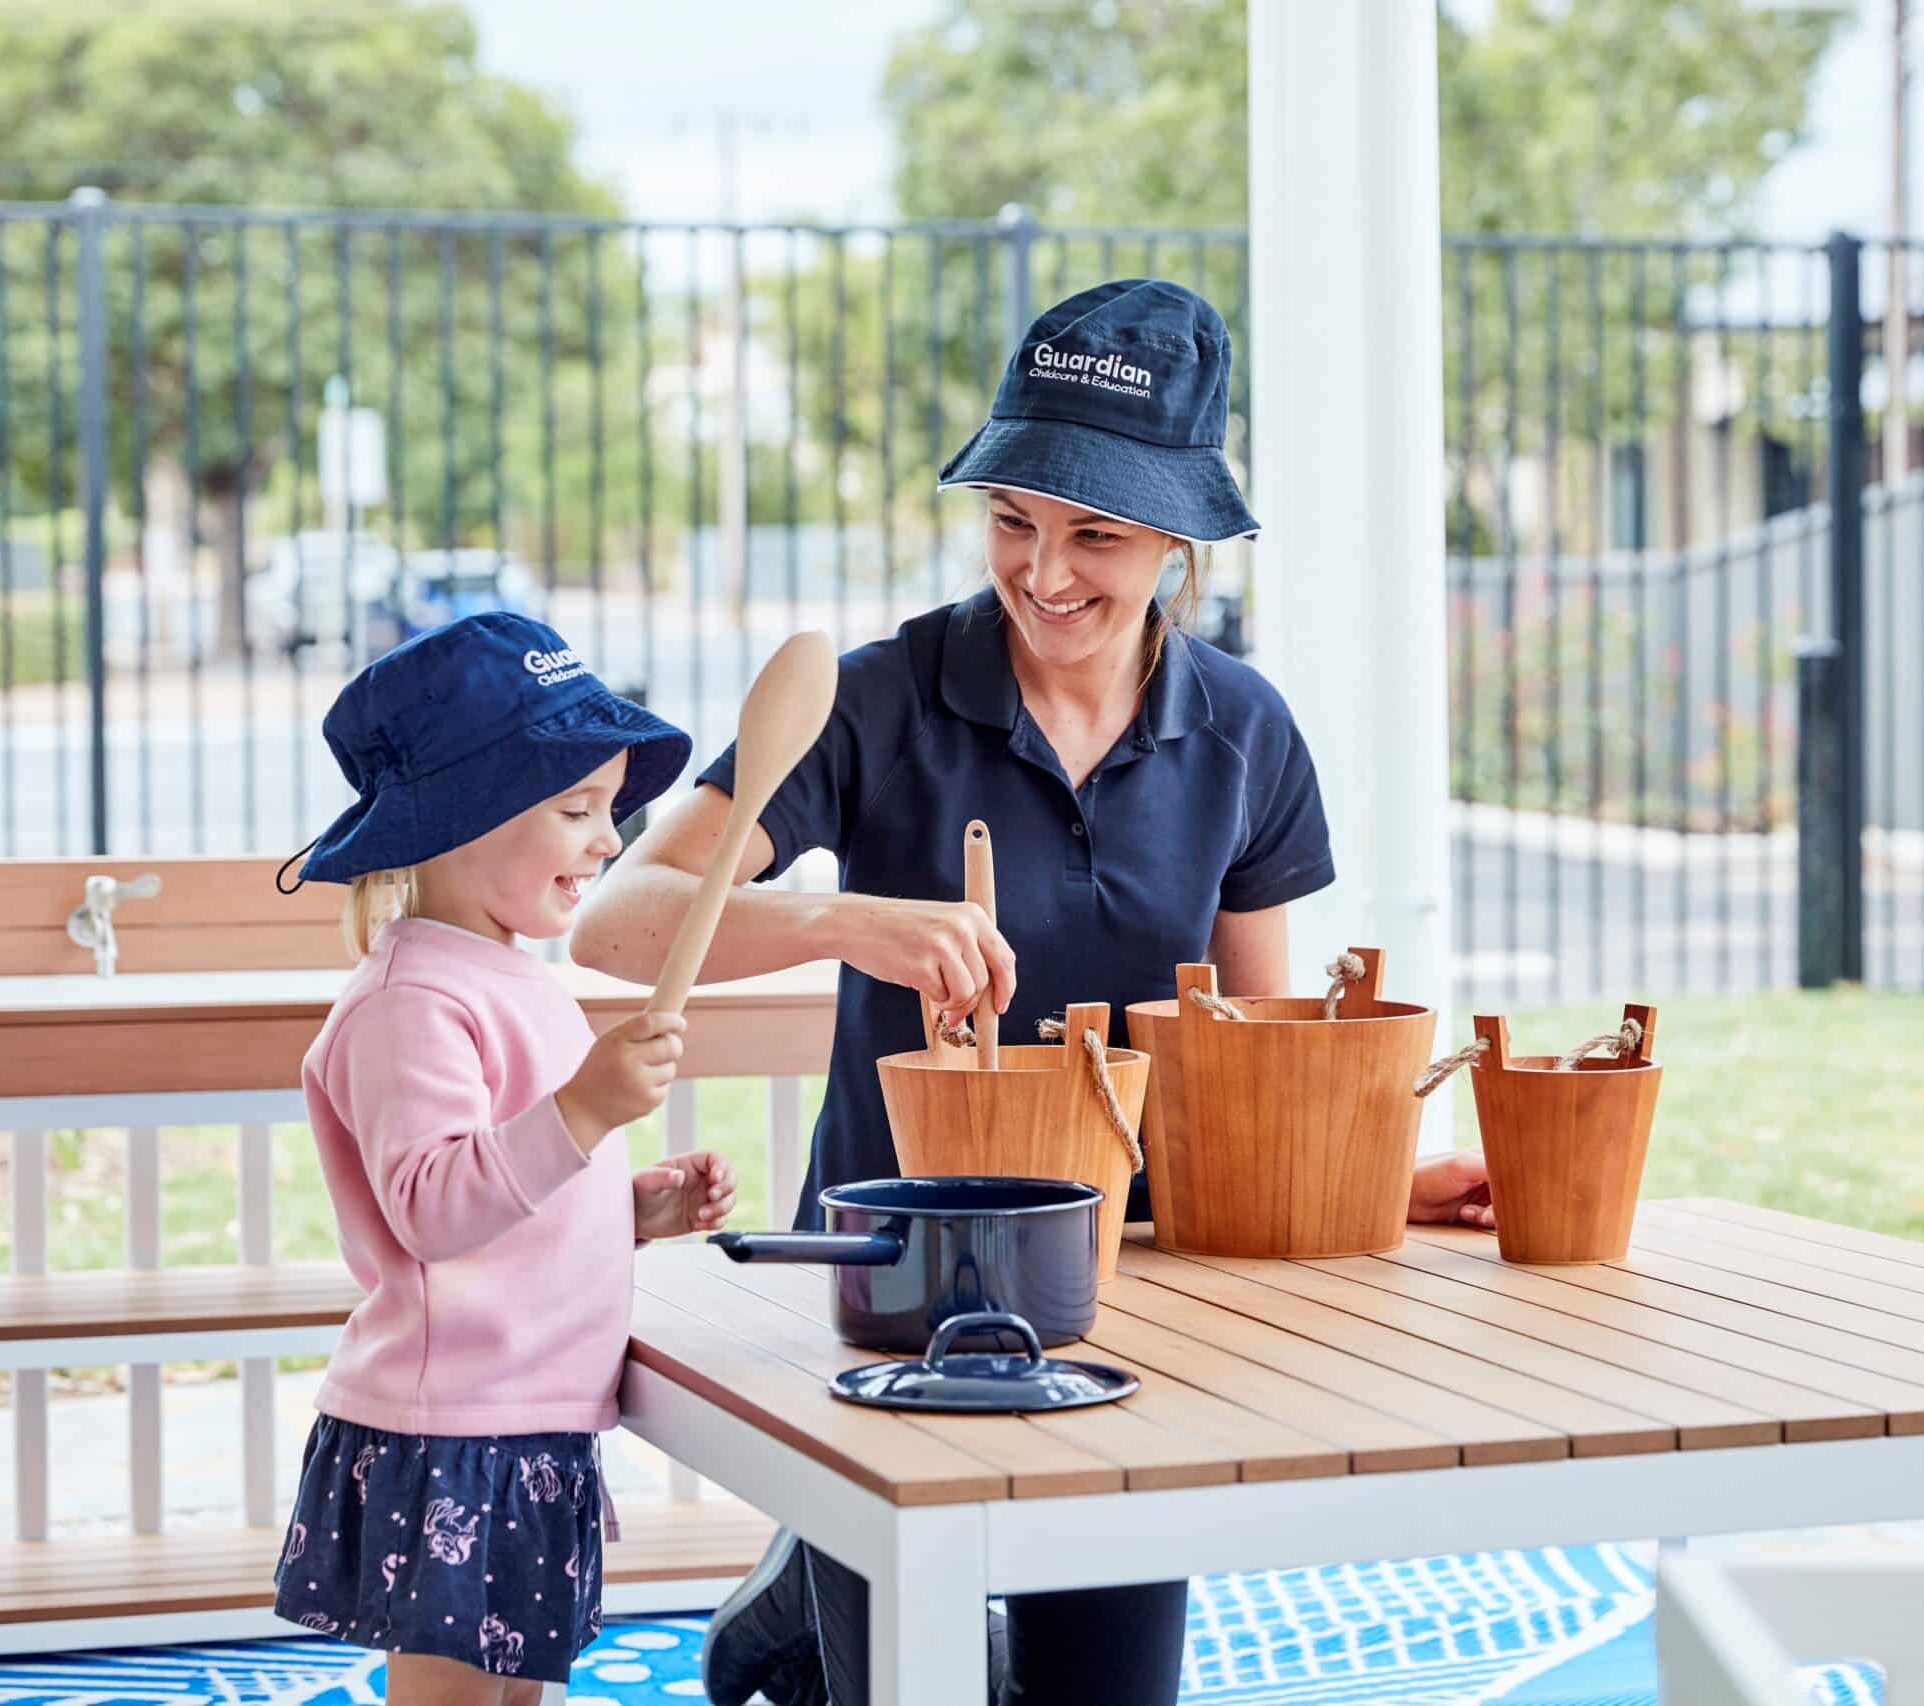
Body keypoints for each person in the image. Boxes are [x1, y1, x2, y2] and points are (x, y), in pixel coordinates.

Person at [574, 280, 1494, 1706]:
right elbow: (622, 926)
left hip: (1128, 1275)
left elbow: (1250, 1057)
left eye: (1096, 535)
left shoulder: (1242, 731)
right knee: (898, 1686)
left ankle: (797, 1605)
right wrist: (846, 917)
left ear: (1178, 541)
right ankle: (806, 1615)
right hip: (889, 1270)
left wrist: (1374, 1176)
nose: (1044, 570)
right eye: (1013, 520)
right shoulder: (878, 697)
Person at [270, 612, 742, 1706]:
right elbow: (435, 1208)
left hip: (526, 1417)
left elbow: (514, 1204)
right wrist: (581, 1108)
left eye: (611, 810)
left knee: (515, 1690)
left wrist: (632, 1208)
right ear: (456, 820)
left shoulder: (506, 975)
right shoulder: (412, 1000)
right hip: (453, 1428)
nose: (609, 839)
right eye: (576, 810)